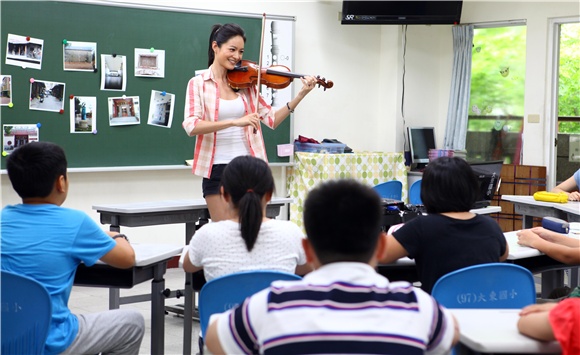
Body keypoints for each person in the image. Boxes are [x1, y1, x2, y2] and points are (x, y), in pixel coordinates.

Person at [205, 179, 459, 354]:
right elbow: (451, 335)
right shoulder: (419, 307)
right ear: (381, 247)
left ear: (307, 250)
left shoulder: (269, 305)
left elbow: (215, 339)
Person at [1, 141, 145, 355]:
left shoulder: (3, 218)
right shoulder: (75, 222)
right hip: (49, 342)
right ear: (61, 182)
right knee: (133, 324)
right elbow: (127, 259)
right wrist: (117, 236)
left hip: (5, 340)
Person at [183, 23, 318, 221]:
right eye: (232, 49)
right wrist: (234, 122)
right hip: (217, 169)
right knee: (226, 235)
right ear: (215, 47)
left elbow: (271, 119)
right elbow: (191, 125)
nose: (237, 56)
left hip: (251, 167)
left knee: (255, 233)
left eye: (241, 51)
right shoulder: (198, 84)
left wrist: (301, 95)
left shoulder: (246, 84)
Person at [380, 156, 509, 294]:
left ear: (427, 192)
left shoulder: (422, 227)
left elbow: (382, 254)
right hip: (481, 310)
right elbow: (503, 255)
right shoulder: (491, 226)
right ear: (472, 189)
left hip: (439, 312)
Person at [182, 155, 310, 281]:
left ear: (224, 194)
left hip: (227, 303)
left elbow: (188, 266)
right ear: (270, 194)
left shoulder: (207, 234)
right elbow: (307, 268)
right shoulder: (291, 232)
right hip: (273, 302)